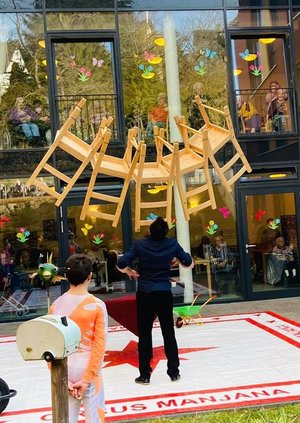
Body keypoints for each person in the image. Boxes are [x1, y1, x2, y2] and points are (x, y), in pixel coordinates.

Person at [117, 216, 194, 385]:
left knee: (144, 334)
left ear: (150, 231)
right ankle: (174, 372)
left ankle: (145, 374)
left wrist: (129, 270)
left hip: (145, 292)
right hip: (164, 292)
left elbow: (121, 262)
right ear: (166, 231)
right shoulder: (172, 244)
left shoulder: (140, 244)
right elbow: (189, 263)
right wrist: (177, 260)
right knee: (168, 332)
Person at [50, 253, 108, 423]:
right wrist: (87, 378)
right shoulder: (98, 306)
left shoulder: (55, 306)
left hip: (63, 369)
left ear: (66, 276)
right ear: (90, 276)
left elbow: (50, 346)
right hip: (90, 369)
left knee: (65, 418)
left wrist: (61, 377)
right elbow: (99, 345)